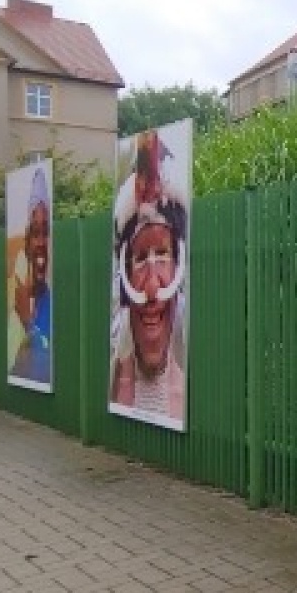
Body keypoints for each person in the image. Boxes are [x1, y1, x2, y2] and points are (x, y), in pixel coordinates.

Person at [110, 130, 188, 423]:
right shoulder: (112, 384)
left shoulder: (188, 395)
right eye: (141, 258)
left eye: (162, 255)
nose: (153, 287)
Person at [10, 167, 52, 383]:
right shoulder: (20, 298)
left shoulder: (53, 302)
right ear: (26, 244)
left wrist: (27, 322)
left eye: (46, 233)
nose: (41, 243)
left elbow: (47, 368)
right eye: (36, 233)